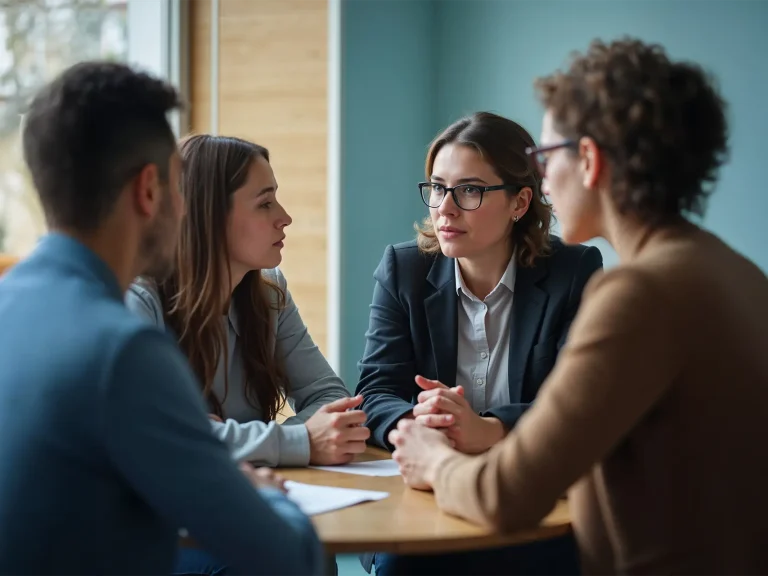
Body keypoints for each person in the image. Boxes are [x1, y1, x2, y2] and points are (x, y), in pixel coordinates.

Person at [389, 38, 768, 575]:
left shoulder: (641, 294)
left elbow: (506, 494)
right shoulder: (739, 274)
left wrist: (432, 458)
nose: (540, 180)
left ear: (587, 160)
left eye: (544, 157)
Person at [0, 61, 323, 576]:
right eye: (179, 187)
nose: (185, 207)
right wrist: (260, 491)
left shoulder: (9, 303)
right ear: (148, 191)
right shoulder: (122, 350)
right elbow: (286, 556)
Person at [356, 111, 603, 575]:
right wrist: (420, 421)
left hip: (531, 495)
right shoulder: (403, 270)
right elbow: (373, 390)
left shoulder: (575, 273)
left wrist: (488, 429)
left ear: (520, 202)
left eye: (469, 190)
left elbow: (579, 407)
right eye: (437, 188)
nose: (445, 208)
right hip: (428, 501)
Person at [125, 134, 365, 576]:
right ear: (208, 216)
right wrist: (299, 440)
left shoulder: (269, 291)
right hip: (159, 528)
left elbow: (330, 398)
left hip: (239, 501)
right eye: (265, 203)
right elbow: (174, 441)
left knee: (311, 553)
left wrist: (231, 438)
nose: (285, 218)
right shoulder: (139, 301)